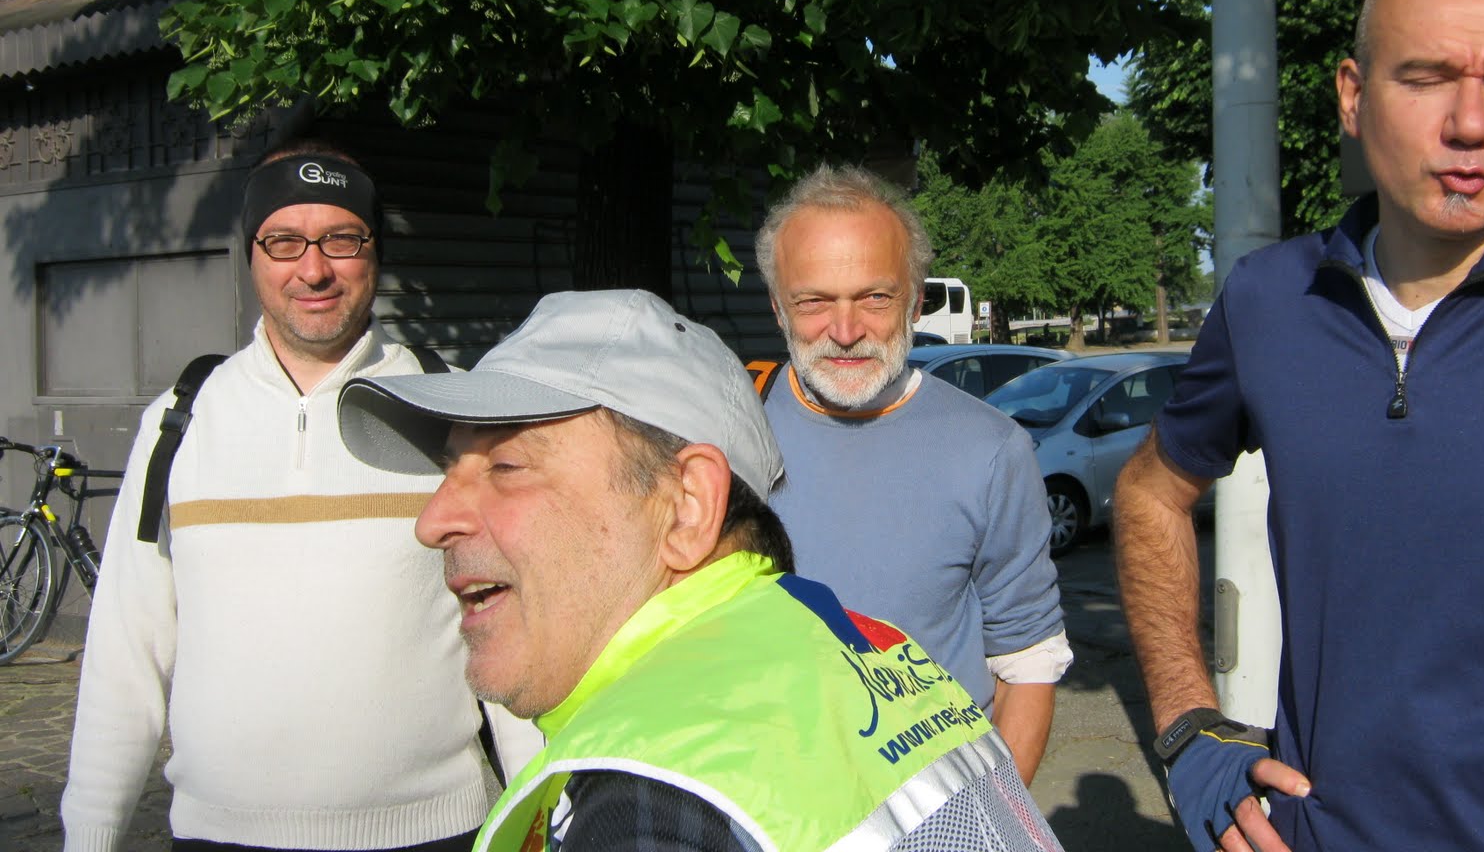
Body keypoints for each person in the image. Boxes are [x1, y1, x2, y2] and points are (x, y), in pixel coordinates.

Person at [1113, 0, 1484, 852]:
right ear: (1352, 94)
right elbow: (1148, 492)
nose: (1469, 122)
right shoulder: (1268, 301)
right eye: (1425, 77)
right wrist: (1188, 733)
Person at [335, 287, 1067, 851]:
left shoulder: (658, 796)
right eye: (449, 468)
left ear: (686, 507)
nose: (433, 521)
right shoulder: (865, 649)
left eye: (506, 463)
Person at [61, 139, 541, 852]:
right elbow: (125, 656)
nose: (313, 269)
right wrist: (90, 838)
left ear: (374, 250)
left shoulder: (452, 410)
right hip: (218, 839)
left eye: (341, 239)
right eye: (285, 242)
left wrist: (538, 817)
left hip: (435, 834)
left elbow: (520, 637)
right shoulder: (179, 420)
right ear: (252, 254)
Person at [754, 166, 1070, 785]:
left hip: (932, 808)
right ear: (778, 308)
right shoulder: (730, 434)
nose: (845, 333)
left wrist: (988, 828)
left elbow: (1028, 665)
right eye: (813, 301)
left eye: (875, 297)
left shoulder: (991, 449)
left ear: (917, 299)